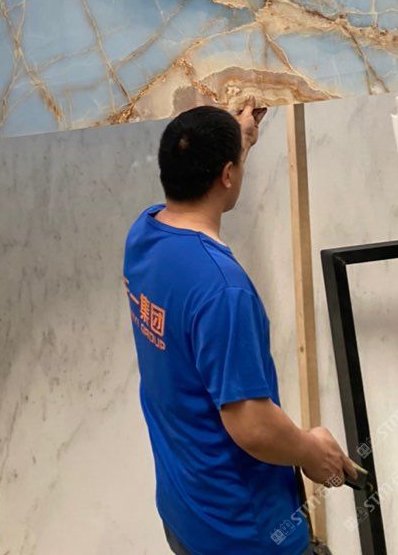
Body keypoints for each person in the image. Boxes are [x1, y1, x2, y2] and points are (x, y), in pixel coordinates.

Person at [123, 103, 356, 555]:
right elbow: (252, 427)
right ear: (227, 175)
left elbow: (207, 185)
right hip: (246, 533)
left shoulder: (144, 234)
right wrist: (312, 451)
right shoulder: (222, 291)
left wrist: (239, 141)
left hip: (186, 511)